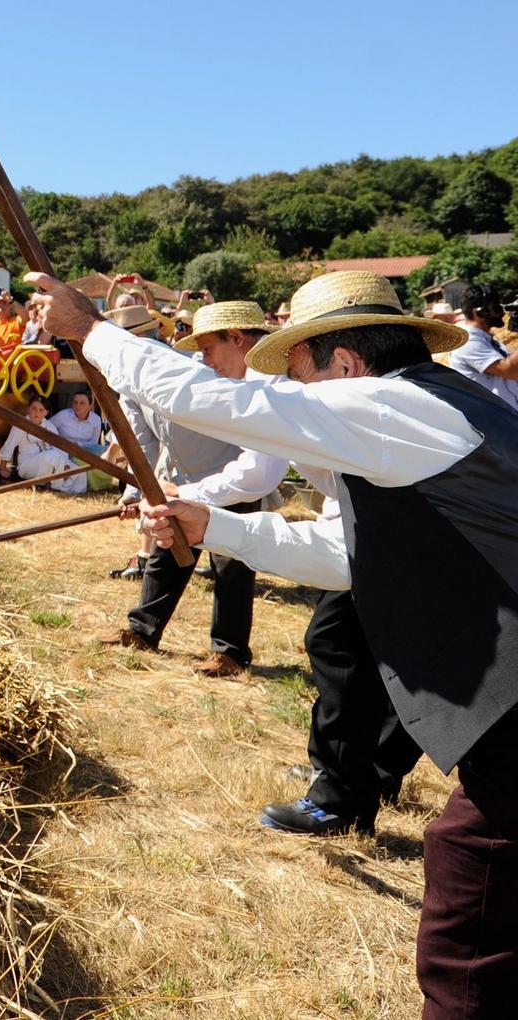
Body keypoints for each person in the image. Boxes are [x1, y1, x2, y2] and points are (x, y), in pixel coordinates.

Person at [32, 267, 514, 1017]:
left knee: (472, 922)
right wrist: (212, 526)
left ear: (346, 365)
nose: (295, 397)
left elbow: (226, 402)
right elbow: (344, 555)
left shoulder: (397, 404)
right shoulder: (419, 418)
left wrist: (93, 334)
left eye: (299, 373)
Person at [100, 300, 288, 678]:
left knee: (232, 564)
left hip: (232, 479)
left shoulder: (190, 375)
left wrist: (183, 495)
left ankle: (230, 653)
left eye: (207, 348)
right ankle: (143, 630)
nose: (205, 357)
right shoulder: (129, 390)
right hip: (186, 480)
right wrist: (139, 492)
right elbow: (145, 448)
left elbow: (256, 471)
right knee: (166, 554)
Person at [449, 285, 518, 413]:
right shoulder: (468, 342)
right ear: (479, 312)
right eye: (496, 308)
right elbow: (508, 369)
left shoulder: (489, 341)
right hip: (495, 421)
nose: (502, 312)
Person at [0, 399, 79, 488]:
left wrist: (65, 465)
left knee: (79, 472)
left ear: (46, 412)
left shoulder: (49, 426)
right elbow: (10, 444)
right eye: (34, 408)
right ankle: (56, 488)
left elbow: (59, 446)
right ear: (28, 409)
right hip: (27, 465)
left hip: (49, 461)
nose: (37, 412)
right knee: (53, 455)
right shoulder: (21, 424)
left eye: (41, 410)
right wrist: (3, 467)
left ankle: (64, 488)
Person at [46, 390, 104, 458]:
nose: (78, 405)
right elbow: (47, 426)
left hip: (84, 450)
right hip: (62, 448)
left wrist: (79, 445)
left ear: (90, 406)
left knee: (104, 451)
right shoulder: (63, 415)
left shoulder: (96, 420)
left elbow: (94, 442)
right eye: (75, 402)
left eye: (82, 403)